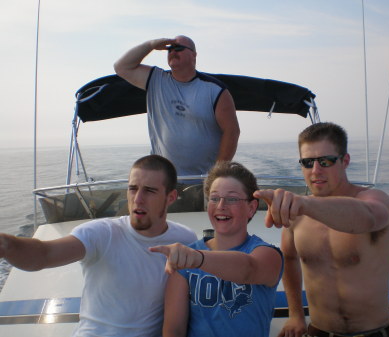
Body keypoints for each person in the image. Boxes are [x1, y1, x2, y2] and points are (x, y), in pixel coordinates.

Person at [0, 154, 197, 337]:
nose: (138, 199)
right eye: (133, 188)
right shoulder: (101, 233)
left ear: (170, 197)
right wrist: (6, 244)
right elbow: (44, 254)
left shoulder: (185, 239)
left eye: (150, 191)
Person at [254, 122, 389, 337]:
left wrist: (305, 204)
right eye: (308, 162)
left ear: (345, 161)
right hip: (319, 331)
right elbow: (289, 258)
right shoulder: (298, 215)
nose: (316, 171)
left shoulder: (373, 199)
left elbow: (370, 216)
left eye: (325, 161)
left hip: (376, 332)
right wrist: (296, 315)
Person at [150, 161, 283, 337]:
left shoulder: (267, 254)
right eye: (214, 198)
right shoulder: (185, 258)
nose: (221, 206)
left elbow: (248, 269)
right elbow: (174, 329)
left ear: (251, 208)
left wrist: (198, 259)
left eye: (232, 198)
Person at [114, 35, 240, 176]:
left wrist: (217, 174)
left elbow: (232, 131)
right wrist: (151, 45)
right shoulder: (156, 80)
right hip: (163, 179)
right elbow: (121, 67)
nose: (173, 52)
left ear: (194, 55)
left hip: (202, 180)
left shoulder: (215, 90)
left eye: (179, 48)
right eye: (170, 49)